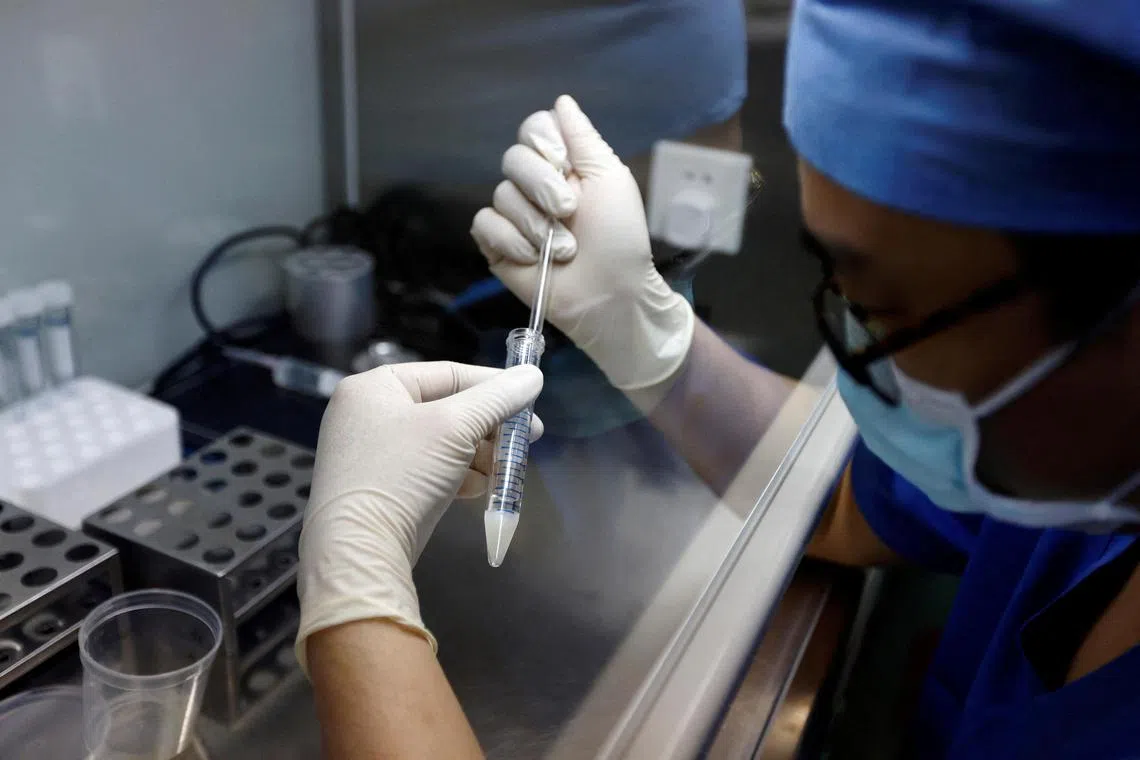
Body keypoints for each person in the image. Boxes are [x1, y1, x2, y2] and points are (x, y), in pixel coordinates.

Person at [296, 1, 1140, 758]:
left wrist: (353, 592)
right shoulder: (1079, 472)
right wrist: (647, 334)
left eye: (883, 307)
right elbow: (846, 502)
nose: (854, 333)